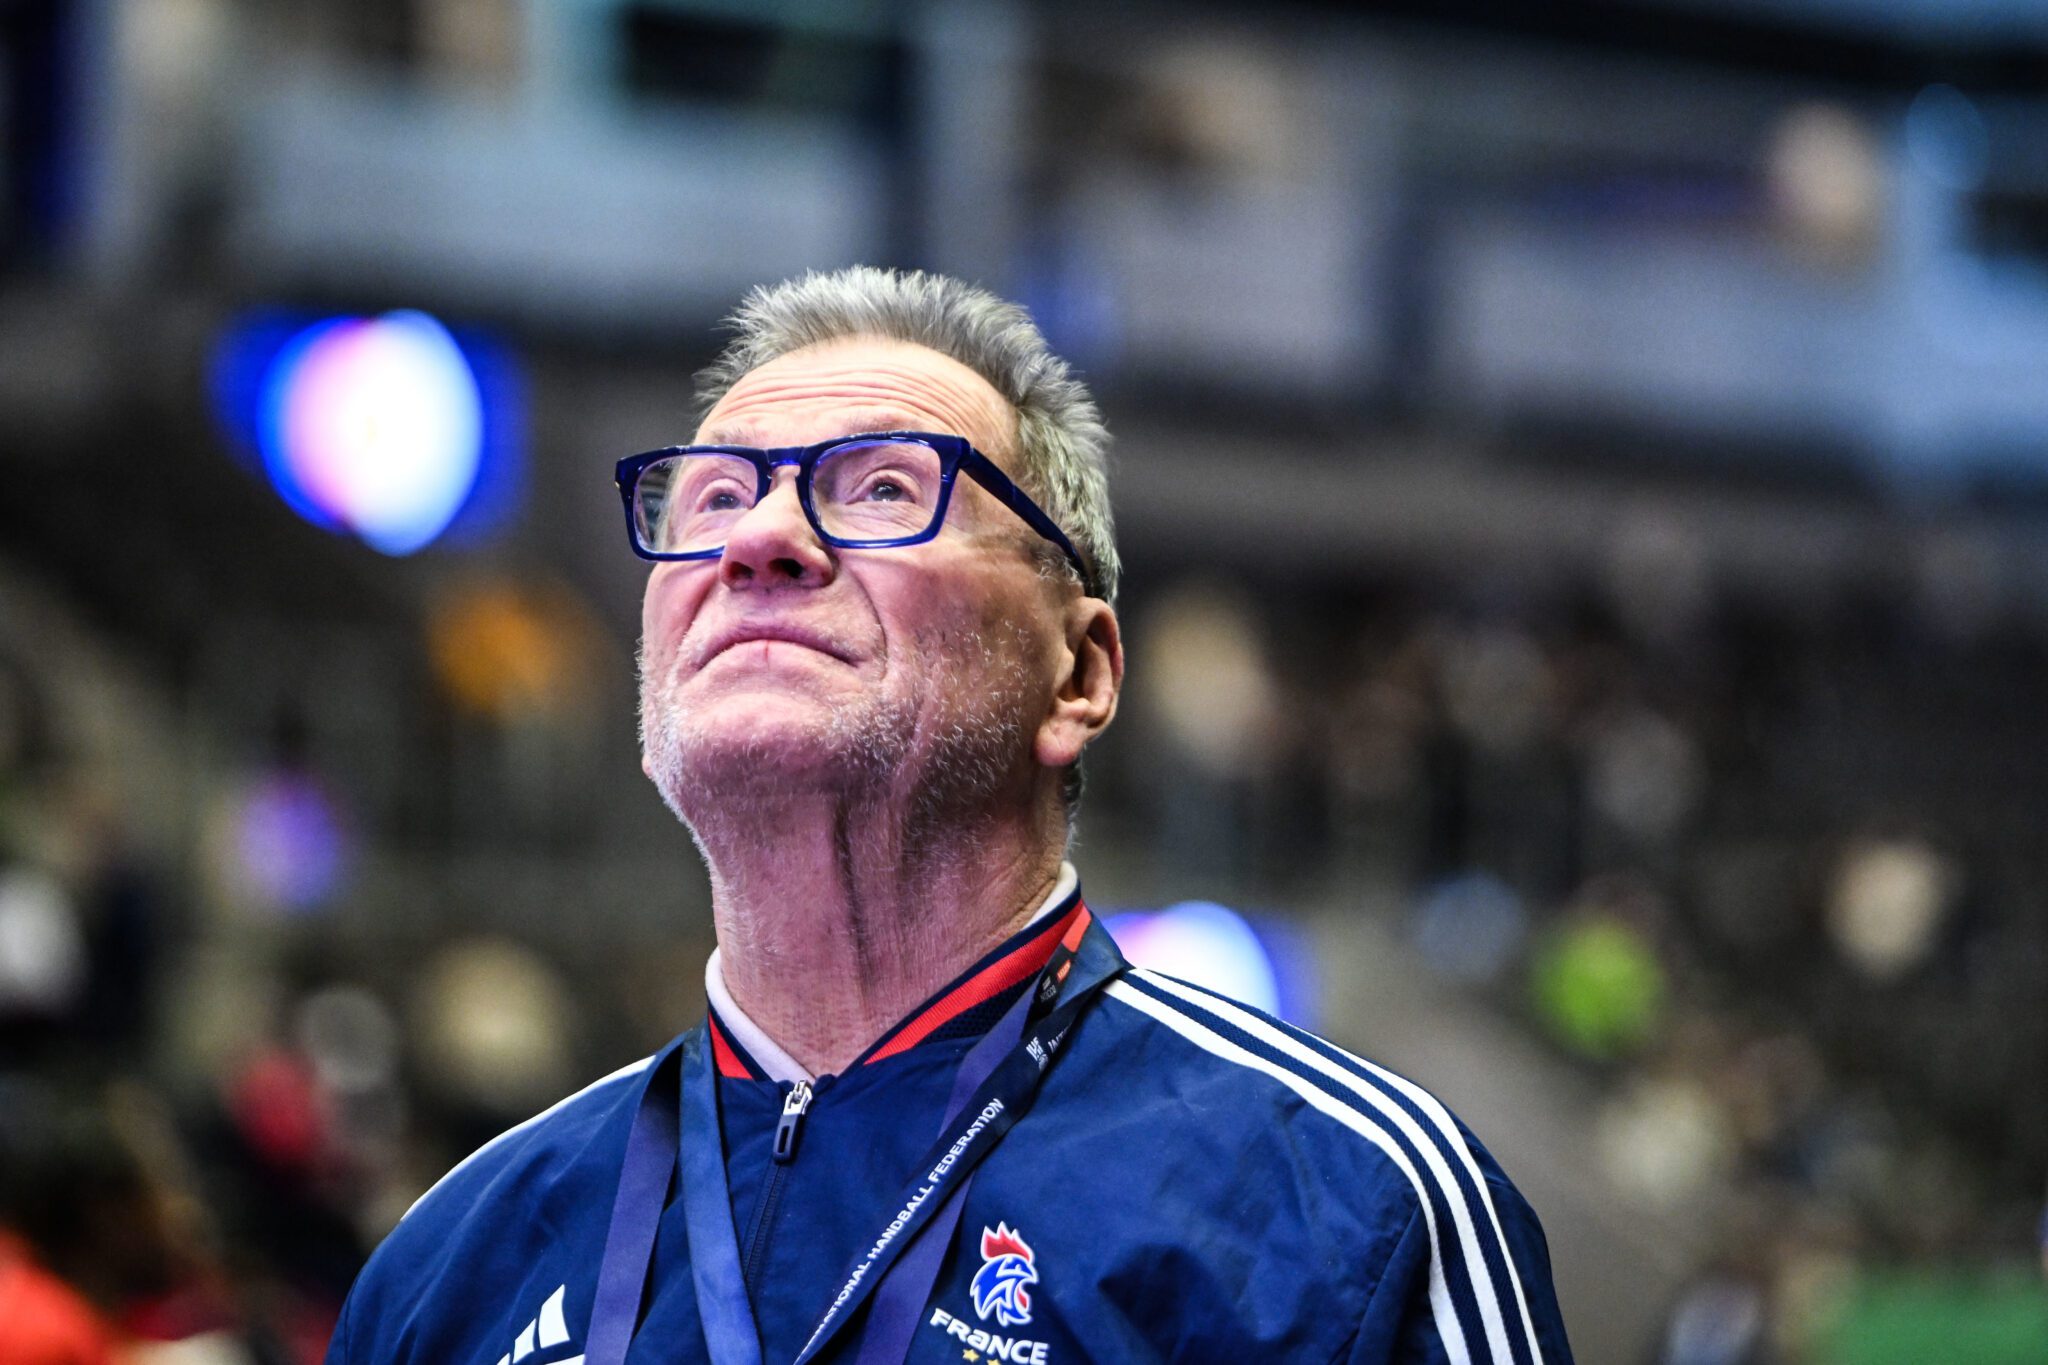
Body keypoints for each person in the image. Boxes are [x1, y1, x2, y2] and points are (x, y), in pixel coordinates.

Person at [326, 267, 1575, 1365]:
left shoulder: (1341, 1211)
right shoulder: (458, 1262)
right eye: (709, 498)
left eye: (878, 489)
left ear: (1077, 673)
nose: (760, 537)